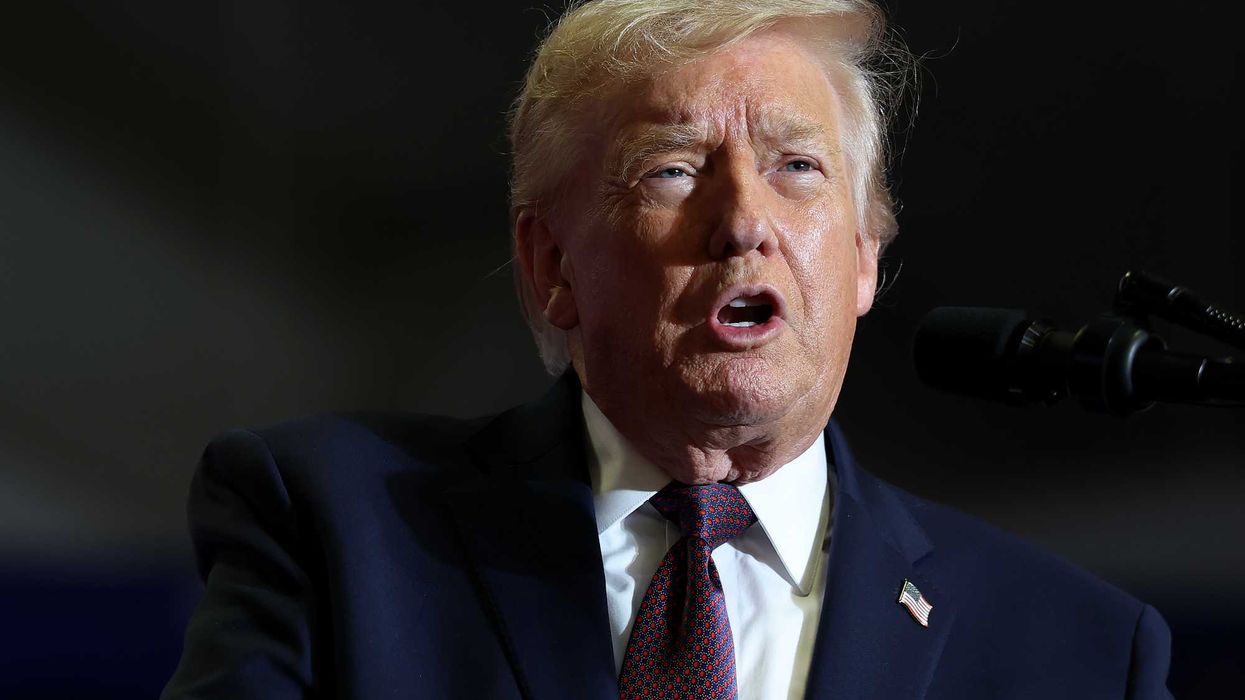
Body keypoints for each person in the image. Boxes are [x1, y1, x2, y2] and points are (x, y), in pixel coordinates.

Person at [162, 1, 1174, 698]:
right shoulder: (332, 533)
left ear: (864, 256)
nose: (744, 221)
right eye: (675, 169)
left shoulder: (1078, 651)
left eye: (798, 167)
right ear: (550, 262)